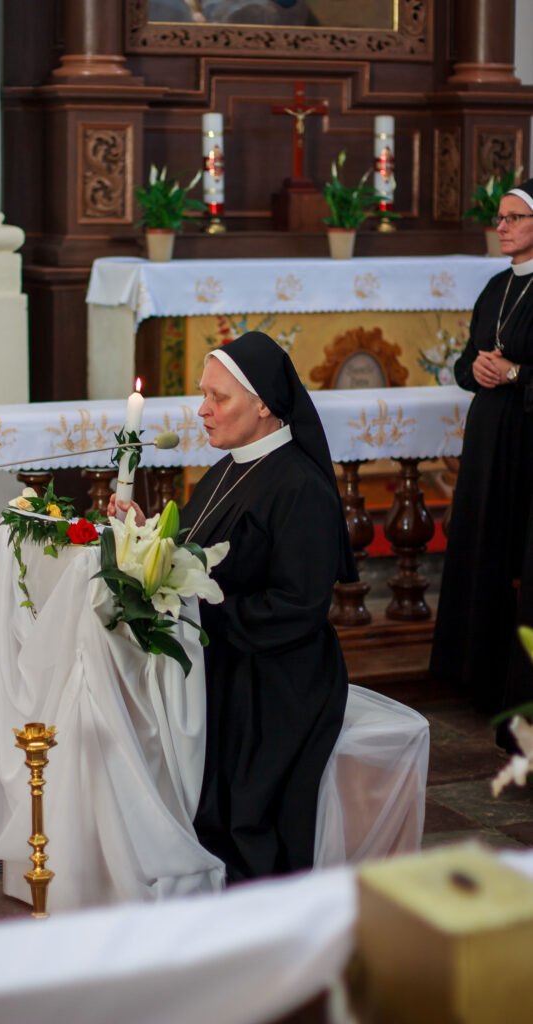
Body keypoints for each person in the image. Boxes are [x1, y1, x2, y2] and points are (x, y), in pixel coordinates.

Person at [109, 331, 356, 882]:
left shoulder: (300, 486)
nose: (202, 410)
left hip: (279, 679)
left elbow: (298, 606)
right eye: (203, 395)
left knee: (245, 816)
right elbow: (198, 560)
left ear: (264, 403)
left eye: (218, 398)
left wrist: (198, 614)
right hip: (229, 661)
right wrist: (145, 540)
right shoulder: (227, 469)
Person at [431, 178, 533, 733]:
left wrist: (513, 372)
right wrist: (477, 370)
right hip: (488, 435)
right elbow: (465, 361)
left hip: (526, 438)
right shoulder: (496, 286)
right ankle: (479, 675)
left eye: (515, 217)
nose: (503, 226)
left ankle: (516, 682)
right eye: (501, 217)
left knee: (517, 557)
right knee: (483, 550)